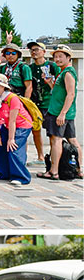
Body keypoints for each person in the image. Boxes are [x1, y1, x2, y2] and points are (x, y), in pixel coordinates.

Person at [39, 45, 82, 180]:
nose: (57, 59)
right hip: (65, 113)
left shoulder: (68, 73)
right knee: (72, 140)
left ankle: (54, 171)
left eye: (61, 56)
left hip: (59, 113)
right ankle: (79, 169)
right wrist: (49, 83)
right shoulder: (62, 72)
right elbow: (59, 92)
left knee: (56, 140)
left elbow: (71, 94)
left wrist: (62, 113)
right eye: (55, 56)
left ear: (68, 57)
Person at [0, 73, 33, 185]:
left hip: (21, 126)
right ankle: (4, 174)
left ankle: (21, 177)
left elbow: (13, 120)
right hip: (7, 125)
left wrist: (11, 138)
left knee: (13, 148)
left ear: (4, 86)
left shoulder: (13, 98)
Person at [25, 41, 60, 168]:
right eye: (32, 50)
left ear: (44, 52)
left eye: (36, 49)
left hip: (50, 103)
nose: (34, 52)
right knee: (36, 130)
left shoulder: (52, 65)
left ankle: (53, 158)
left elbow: (59, 84)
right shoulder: (29, 68)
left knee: (52, 133)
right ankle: (40, 156)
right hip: (35, 103)